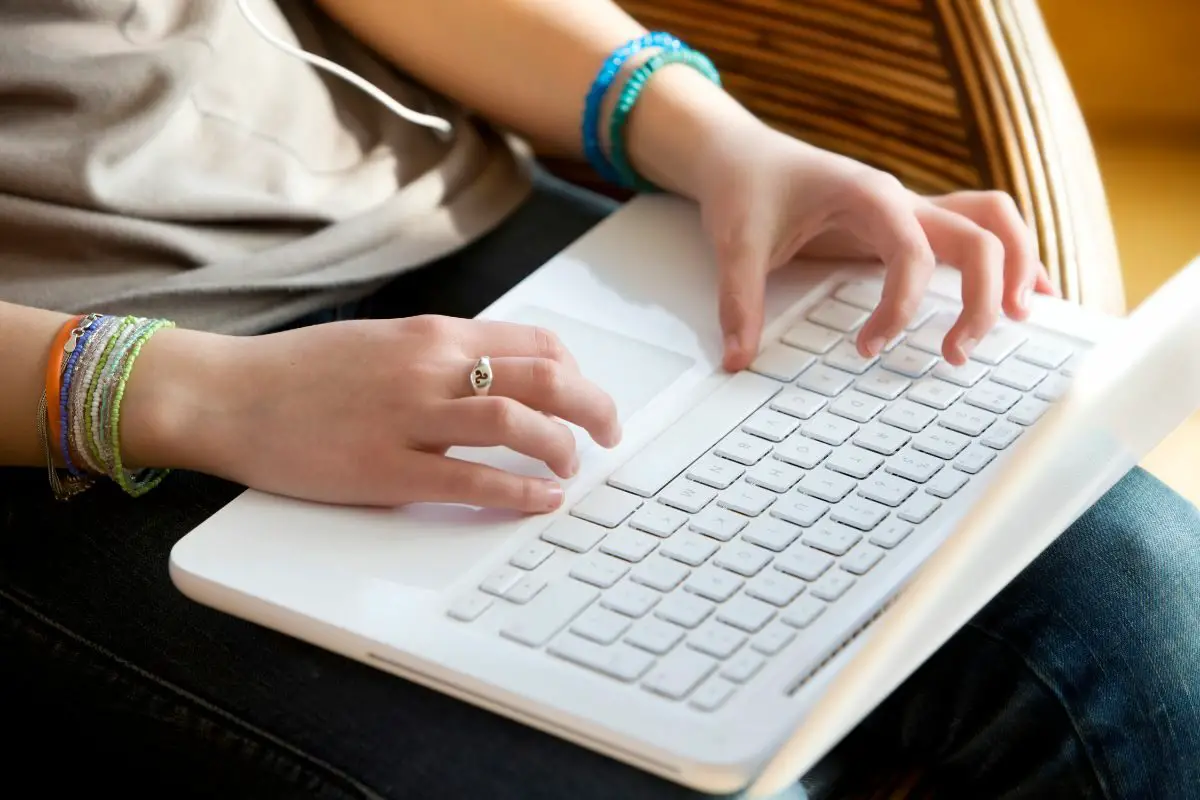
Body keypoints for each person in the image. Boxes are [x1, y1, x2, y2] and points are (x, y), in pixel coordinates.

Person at [0, 2, 1196, 798]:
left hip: (474, 228)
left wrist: (713, 138)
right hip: (103, 417)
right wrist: (200, 391)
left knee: (1139, 598)